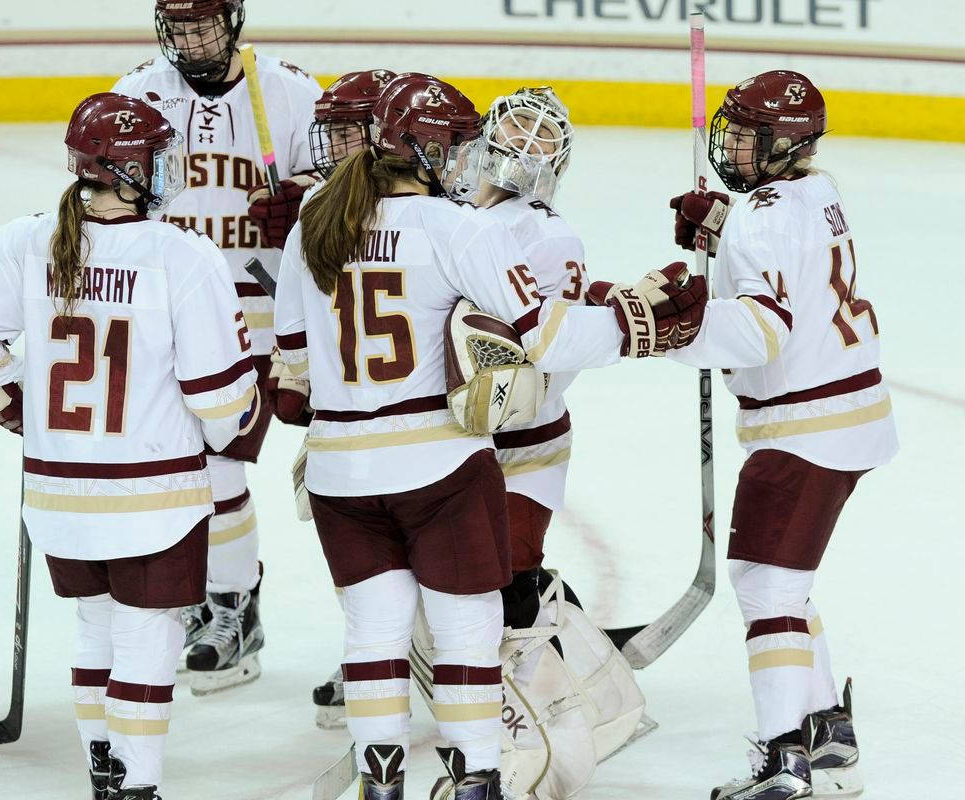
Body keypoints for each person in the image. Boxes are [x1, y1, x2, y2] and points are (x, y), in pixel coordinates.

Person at [272, 72, 707, 799]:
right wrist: (642, 326)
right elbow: (547, 333)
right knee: (466, 636)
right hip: (439, 467)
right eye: (460, 146)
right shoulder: (456, 227)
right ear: (430, 148)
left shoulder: (315, 216)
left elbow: (291, 367)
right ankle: (475, 781)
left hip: (340, 473)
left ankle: (380, 786)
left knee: (373, 638)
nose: (468, 160)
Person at [0, 93, 260, 800]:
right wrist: (218, 439)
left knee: (95, 628)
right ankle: (137, 787)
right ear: (128, 169)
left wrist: (24, 416)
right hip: (157, 497)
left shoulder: (21, 240)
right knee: (148, 643)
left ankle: (102, 774)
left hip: (59, 496)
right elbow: (221, 400)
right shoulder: (184, 255)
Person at [412, 86, 650, 799]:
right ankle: (395, 672)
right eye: (515, 130)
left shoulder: (551, 236)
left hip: (527, 442)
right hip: (450, 440)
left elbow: (551, 349)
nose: (526, 147)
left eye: (544, 139)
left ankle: (542, 694)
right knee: (429, 584)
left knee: (506, 586)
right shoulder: (446, 214)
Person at [667, 70, 898, 800]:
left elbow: (761, 330)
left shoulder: (761, 214)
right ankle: (828, 733)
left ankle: (783, 761)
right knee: (783, 581)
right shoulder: (817, 190)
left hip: (806, 427)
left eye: (745, 137)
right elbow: (785, 252)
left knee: (765, 584)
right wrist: (724, 226)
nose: (728, 147)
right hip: (849, 414)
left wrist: (679, 326)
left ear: (781, 145)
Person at [111, 0, 322, 693]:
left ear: (231, 22)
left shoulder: (289, 91)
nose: (191, 39)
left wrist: (307, 205)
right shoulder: (137, 94)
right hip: (161, 318)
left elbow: (351, 185)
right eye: (179, 26)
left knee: (219, 472)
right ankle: (212, 599)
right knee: (180, 473)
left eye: (204, 25)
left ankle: (231, 606)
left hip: (254, 318)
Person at [288, 66, 398, 731]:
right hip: (352, 413)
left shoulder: (438, 212)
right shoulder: (320, 207)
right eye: (327, 133)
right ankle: (380, 656)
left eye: (346, 132)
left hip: (435, 420)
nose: (330, 149)